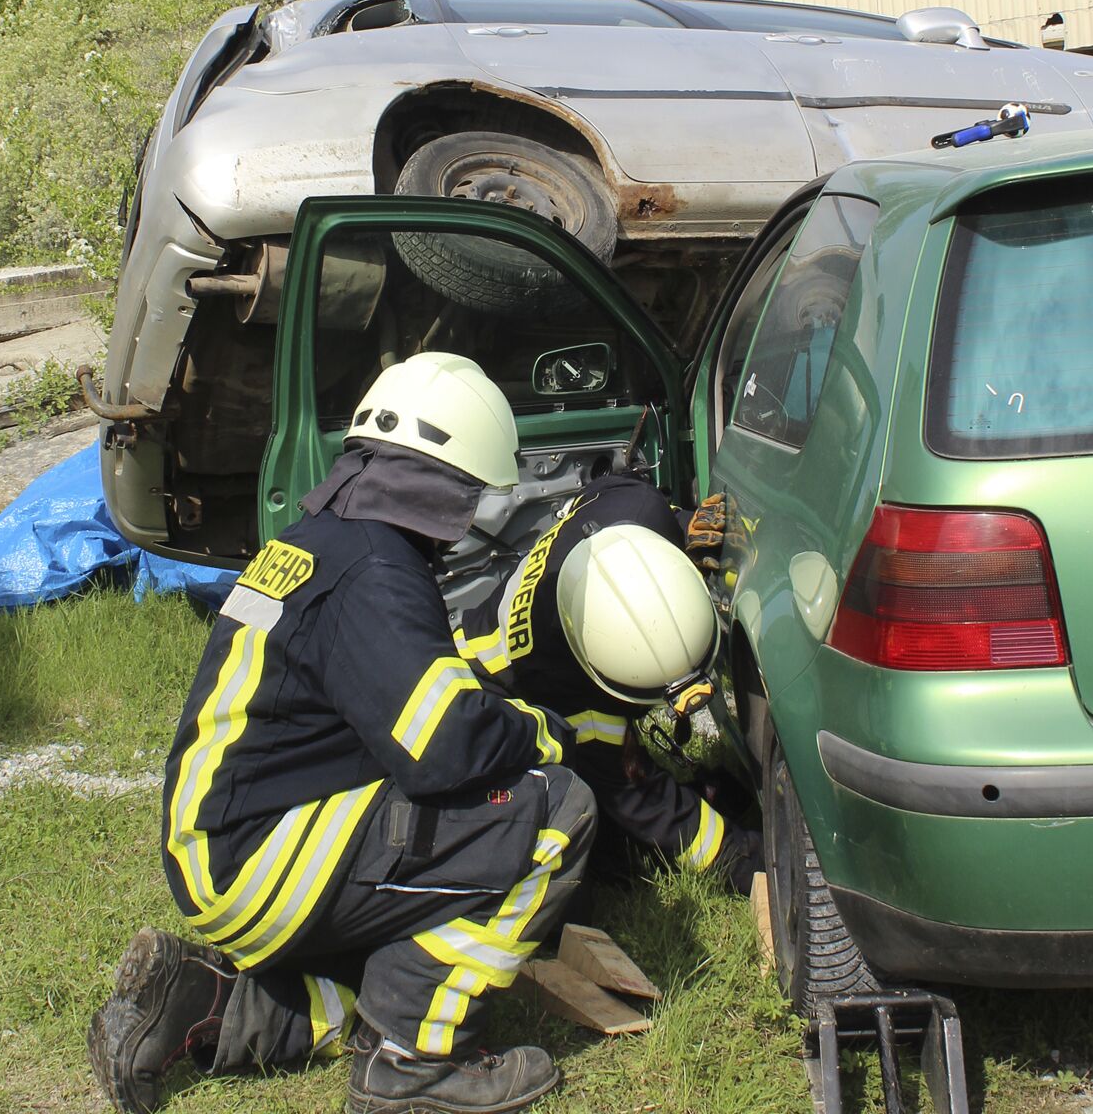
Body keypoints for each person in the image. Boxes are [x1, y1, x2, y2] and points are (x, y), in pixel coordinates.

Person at [88, 353, 596, 1114]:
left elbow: (403, 693)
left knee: (388, 967)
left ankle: (194, 1000)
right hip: (265, 854)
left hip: (224, 850)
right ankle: (413, 1064)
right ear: (450, 479)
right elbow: (445, 745)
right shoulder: (375, 570)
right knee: (556, 808)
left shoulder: (323, 539)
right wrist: (542, 731)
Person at [454, 475, 758, 887]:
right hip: (485, 698)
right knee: (601, 841)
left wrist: (683, 525)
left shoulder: (641, 508)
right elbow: (642, 800)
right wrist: (743, 859)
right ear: (601, 680)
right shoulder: (562, 688)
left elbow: (603, 491)